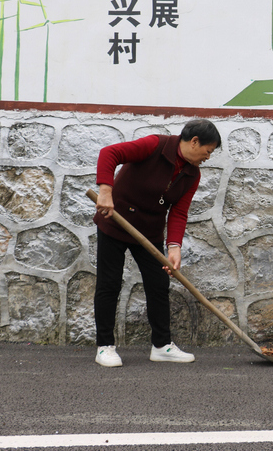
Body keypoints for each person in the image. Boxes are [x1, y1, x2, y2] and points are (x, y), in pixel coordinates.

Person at [92, 119, 221, 367]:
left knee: (159, 284)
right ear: (195, 142)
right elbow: (110, 153)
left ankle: (162, 346)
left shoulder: (192, 174)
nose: (208, 157)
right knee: (110, 283)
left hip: (149, 233)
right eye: (208, 151)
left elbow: (178, 212)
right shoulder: (155, 145)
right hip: (115, 221)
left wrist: (174, 247)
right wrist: (106, 191)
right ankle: (104, 347)